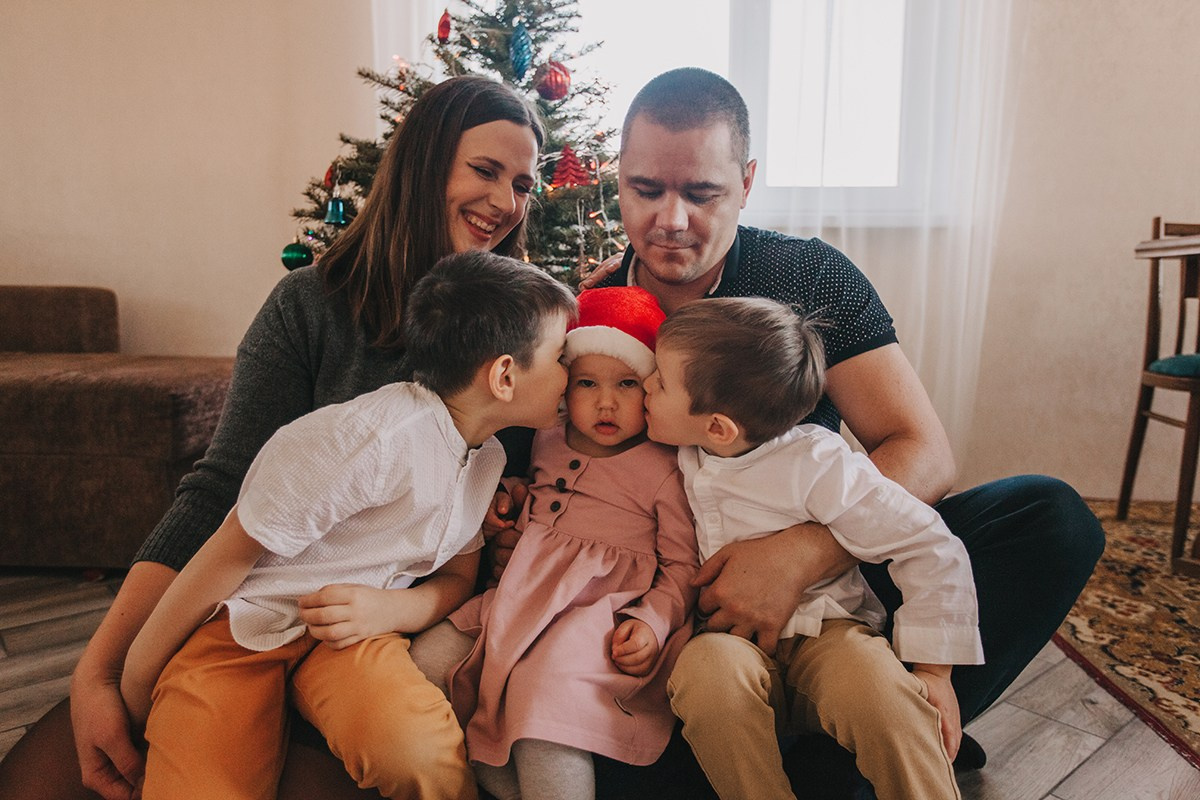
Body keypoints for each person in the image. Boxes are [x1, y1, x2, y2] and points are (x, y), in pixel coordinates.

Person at [541, 66, 1102, 795]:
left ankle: (895, 722)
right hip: (676, 618)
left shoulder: (809, 277)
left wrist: (801, 553)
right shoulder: (597, 314)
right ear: (618, 179)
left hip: (836, 593)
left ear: (747, 181)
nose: (670, 218)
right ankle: (827, 762)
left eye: (702, 193)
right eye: (645, 189)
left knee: (1049, 518)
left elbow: (923, 452)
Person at [0, 75, 547, 800]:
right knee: (48, 780)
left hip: (381, 644)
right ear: (423, 166)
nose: (506, 203)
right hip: (242, 618)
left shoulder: (534, 340)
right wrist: (104, 668)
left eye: (524, 183)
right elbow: (219, 494)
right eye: (484, 171)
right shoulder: (312, 305)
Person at [118, 251, 576, 800]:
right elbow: (225, 554)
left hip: (353, 637)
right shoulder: (368, 440)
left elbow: (456, 577)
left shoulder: (487, 460)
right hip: (240, 635)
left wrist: (389, 610)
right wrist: (139, 674)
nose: (574, 373)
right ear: (504, 375)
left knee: (421, 756)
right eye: (562, 356)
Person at [644, 296, 982, 800]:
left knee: (881, 694)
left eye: (659, 381)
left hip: (827, 633)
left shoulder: (820, 463)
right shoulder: (671, 454)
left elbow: (929, 543)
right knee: (706, 675)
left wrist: (934, 670)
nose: (645, 385)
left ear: (718, 426)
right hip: (727, 644)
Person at [411, 286, 700, 800]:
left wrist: (653, 622)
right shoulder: (547, 438)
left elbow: (682, 566)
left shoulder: (664, 467)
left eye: (628, 384)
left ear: (653, 389)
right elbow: (539, 511)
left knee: (542, 702)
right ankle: (494, 783)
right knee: (428, 662)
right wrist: (511, 503)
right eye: (587, 382)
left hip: (595, 619)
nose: (605, 402)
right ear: (565, 386)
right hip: (517, 597)